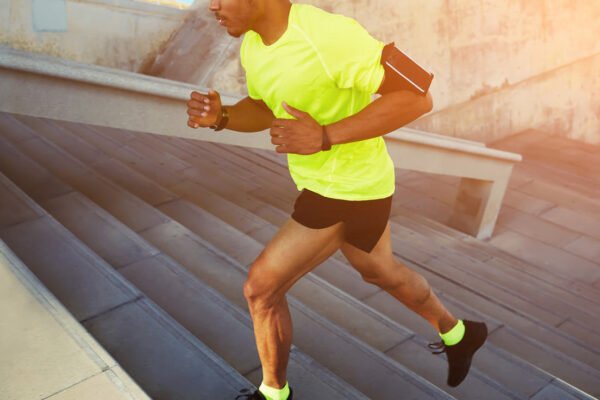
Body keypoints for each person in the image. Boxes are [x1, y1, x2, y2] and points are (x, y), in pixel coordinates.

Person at [186, 1, 488, 399]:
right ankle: (460, 333)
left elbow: (418, 96)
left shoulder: (330, 35)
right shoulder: (253, 44)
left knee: (261, 288)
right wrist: (222, 117)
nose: (212, 5)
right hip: (328, 183)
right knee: (380, 271)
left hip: (347, 190)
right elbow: (264, 106)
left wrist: (325, 135)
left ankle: (274, 393)